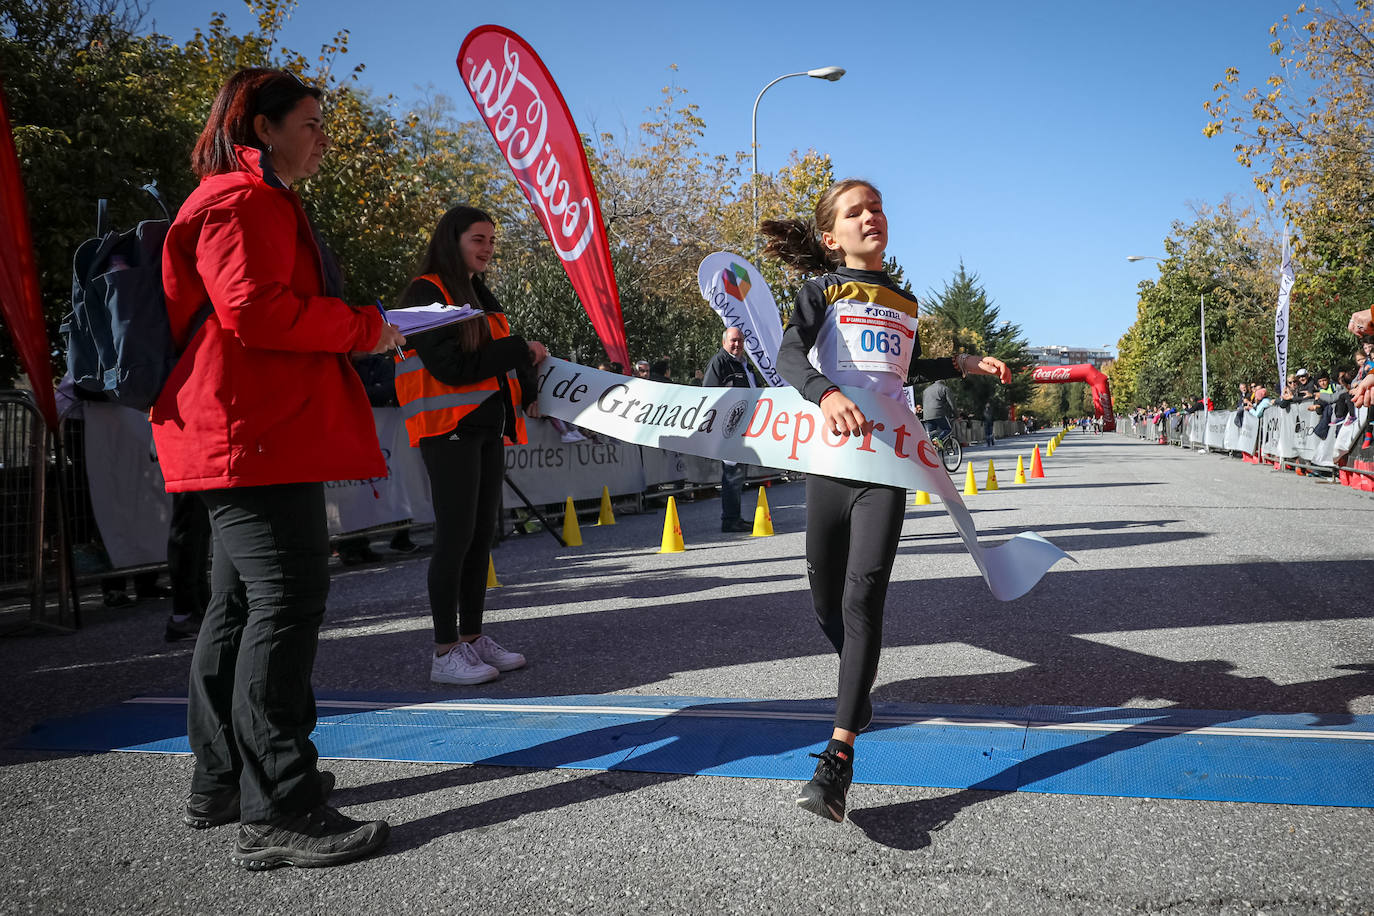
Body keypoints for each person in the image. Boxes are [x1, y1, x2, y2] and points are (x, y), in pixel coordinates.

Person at [152, 68, 399, 868]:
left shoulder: (242, 197)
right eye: (312, 122)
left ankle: (224, 782)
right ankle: (281, 808)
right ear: (263, 129)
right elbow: (253, 310)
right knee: (286, 602)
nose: (324, 136)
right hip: (249, 435)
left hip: (243, 432)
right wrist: (366, 327)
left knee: (236, 607)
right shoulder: (242, 199)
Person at [766, 179, 1010, 823]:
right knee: (825, 597)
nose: (871, 217)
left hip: (888, 461)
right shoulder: (821, 290)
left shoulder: (905, 299)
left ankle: (837, 760)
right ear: (832, 237)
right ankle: (859, 686)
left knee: (863, 593)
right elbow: (789, 354)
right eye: (856, 212)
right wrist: (824, 393)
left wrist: (961, 363)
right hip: (830, 458)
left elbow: (903, 372)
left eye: (876, 208)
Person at [392, 205, 547, 687]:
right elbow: (452, 367)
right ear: (452, 240)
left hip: (483, 428)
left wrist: (531, 387)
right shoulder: (423, 291)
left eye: (491, 241)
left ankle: (473, 638)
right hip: (447, 427)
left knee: (481, 539)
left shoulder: (477, 292)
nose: (487, 248)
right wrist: (521, 348)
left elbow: (493, 357)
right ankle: (444, 651)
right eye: (478, 239)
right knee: (455, 539)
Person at [702, 327, 757, 533]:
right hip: (728, 428)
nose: (737, 344)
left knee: (738, 474)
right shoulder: (720, 362)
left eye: (740, 341)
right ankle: (730, 519)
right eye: (733, 340)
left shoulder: (745, 365)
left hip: (745, 428)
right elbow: (708, 394)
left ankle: (735, 517)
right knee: (732, 473)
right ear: (724, 341)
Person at [921, 378, 956, 443]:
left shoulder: (925, 390)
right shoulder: (945, 388)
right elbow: (951, 403)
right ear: (944, 381)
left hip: (926, 415)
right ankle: (939, 440)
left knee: (932, 433)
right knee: (948, 429)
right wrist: (956, 414)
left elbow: (924, 402)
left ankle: (933, 449)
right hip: (938, 413)